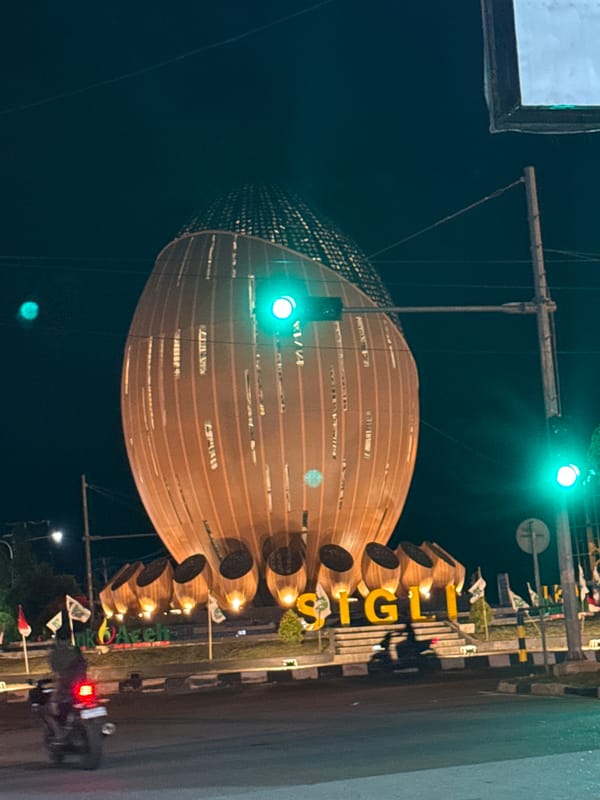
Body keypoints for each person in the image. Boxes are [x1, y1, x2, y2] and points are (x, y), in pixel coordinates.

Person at [43, 630, 88, 741]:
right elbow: (85, 664)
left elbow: (55, 671)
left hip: (65, 685)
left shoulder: (55, 653)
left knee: (50, 709)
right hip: (82, 683)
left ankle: (59, 734)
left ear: (57, 640)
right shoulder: (75, 650)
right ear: (69, 638)